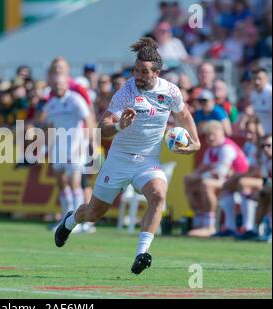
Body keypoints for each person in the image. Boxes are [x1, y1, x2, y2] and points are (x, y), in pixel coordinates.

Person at [54, 37, 200, 275]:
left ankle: (142, 253)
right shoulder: (126, 92)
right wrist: (120, 126)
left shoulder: (170, 91)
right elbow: (102, 127)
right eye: (136, 70)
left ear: (157, 73)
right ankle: (70, 220)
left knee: (158, 195)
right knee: (92, 215)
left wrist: (196, 142)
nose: (138, 76)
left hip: (148, 161)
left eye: (144, 72)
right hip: (119, 160)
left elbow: (183, 115)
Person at [39, 73, 96, 233]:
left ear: (66, 85)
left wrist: (88, 141)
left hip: (75, 146)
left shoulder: (76, 100)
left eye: (60, 84)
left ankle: (77, 221)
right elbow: (48, 124)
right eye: (55, 85)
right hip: (58, 147)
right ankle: (66, 220)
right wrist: (46, 146)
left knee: (75, 183)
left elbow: (89, 120)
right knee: (61, 183)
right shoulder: (51, 104)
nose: (57, 87)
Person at [184, 121, 249, 238]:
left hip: (239, 182)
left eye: (213, 134)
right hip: (226, 181)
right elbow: (201, 170)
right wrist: (190, 178)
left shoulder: (227, 148)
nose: (211, 138)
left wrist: (201, 176)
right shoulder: (211, 150)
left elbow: (220, 174)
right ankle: (199, 220)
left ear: (222, 133)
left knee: (206, 184)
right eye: (208, 135)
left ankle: (210, 226)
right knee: (190, 183)